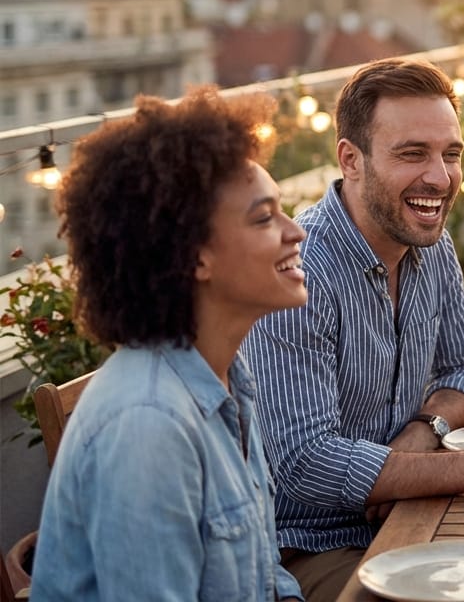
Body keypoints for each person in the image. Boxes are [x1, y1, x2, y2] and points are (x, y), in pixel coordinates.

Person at [241, 58, 464, 601]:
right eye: (413, 153)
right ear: (352, 159)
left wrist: (425, 431)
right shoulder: (298, 272)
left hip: (413, 517)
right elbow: (305, 463)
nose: (440, 177)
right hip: (310, 552)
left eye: (450, 154)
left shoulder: (427, 243)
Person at [30, 89, 305, 600]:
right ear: (194, 255)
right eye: (265, 218)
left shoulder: (227, 378)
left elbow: (265, 576)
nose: (296, 232)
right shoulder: (149, 424)